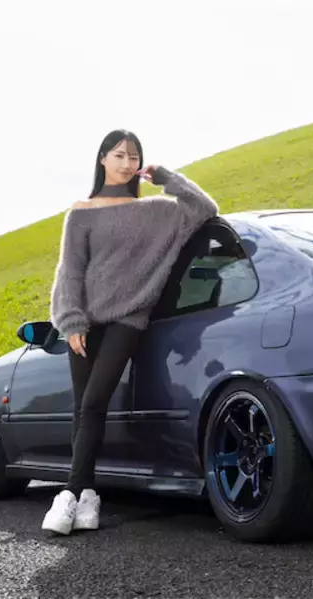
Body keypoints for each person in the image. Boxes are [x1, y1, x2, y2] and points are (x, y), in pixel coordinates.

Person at [41, 129, 219, 535]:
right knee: (83, 409)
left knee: (94, 403)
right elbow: (71, 271)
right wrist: (71, 321)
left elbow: (204, 208)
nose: (126, 163)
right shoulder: (81, 212)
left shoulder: (157, 211)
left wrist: (167, 178)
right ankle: (88, 497)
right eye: (119, 155)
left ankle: (68, 494)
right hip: (86, 321)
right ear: (102, 158)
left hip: (129, 318)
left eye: (133, 157)